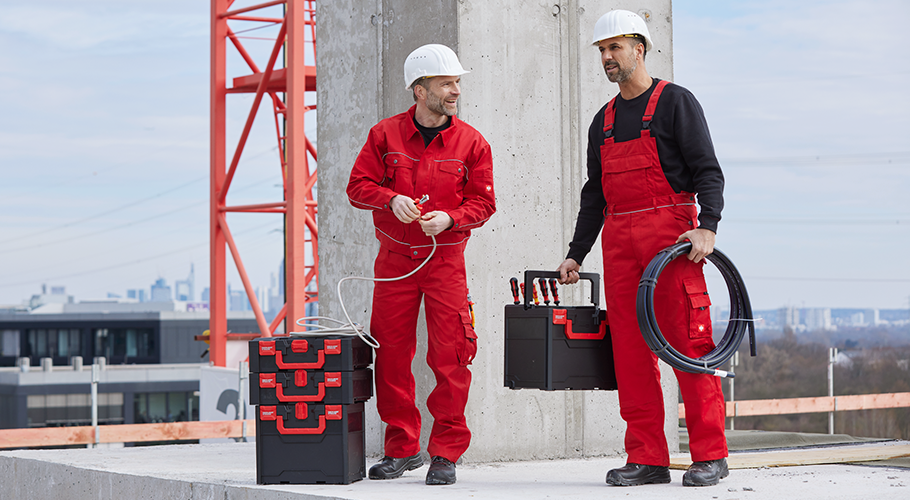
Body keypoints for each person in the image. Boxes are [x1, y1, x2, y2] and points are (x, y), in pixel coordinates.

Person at [556, 10, 728, 487]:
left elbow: (708, 171)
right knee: (630, 353)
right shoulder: (603, 121)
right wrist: (576, 253)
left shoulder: (675, 103)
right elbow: (595, 194)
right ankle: (647, 457)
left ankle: (710, 455)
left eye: (615, 47)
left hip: (672, 239)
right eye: (602, 50)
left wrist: (707, 227)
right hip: (619, 243)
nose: (607, 57)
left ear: (640, 48)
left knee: (689, 343)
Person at [346, 43, 496, 486]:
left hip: (445, 261)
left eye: (457, 83)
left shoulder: (472, 143)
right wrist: (390, 199)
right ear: (420, 90)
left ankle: (446, 452)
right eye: (447, 83)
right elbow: (357, 186)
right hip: (394, 262)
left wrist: (451, 218)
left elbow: (484, 204)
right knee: (391, 355)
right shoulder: (384, 135)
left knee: (451, 356)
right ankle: (402, 448)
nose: (456, 91)